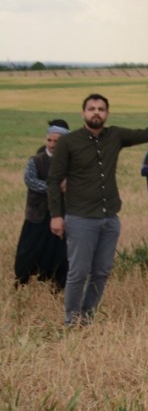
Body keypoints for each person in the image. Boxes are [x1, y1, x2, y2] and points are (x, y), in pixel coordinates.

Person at [48, 93, 148, 327]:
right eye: (91, 109)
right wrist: (56, 216)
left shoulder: (115, 135)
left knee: (101, 272)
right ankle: (71, 318)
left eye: (101, 109)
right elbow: (54, 180)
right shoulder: (68, 142)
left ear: (107, 113)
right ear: (83, 113)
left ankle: (87, 316)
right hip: (80, 216)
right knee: (78, 272)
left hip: (110, 217)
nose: (96, 113)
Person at [13, 121, 70, 288]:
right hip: (37, 214)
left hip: (61, 214)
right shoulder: (36, 160)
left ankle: (57, 286)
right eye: (49, 140)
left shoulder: (72, 162)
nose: (52, 145)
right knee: (28, 250)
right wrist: (54, 188)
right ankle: (22, 283)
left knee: (58, 252)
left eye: (56, 141)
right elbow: (30, 181)